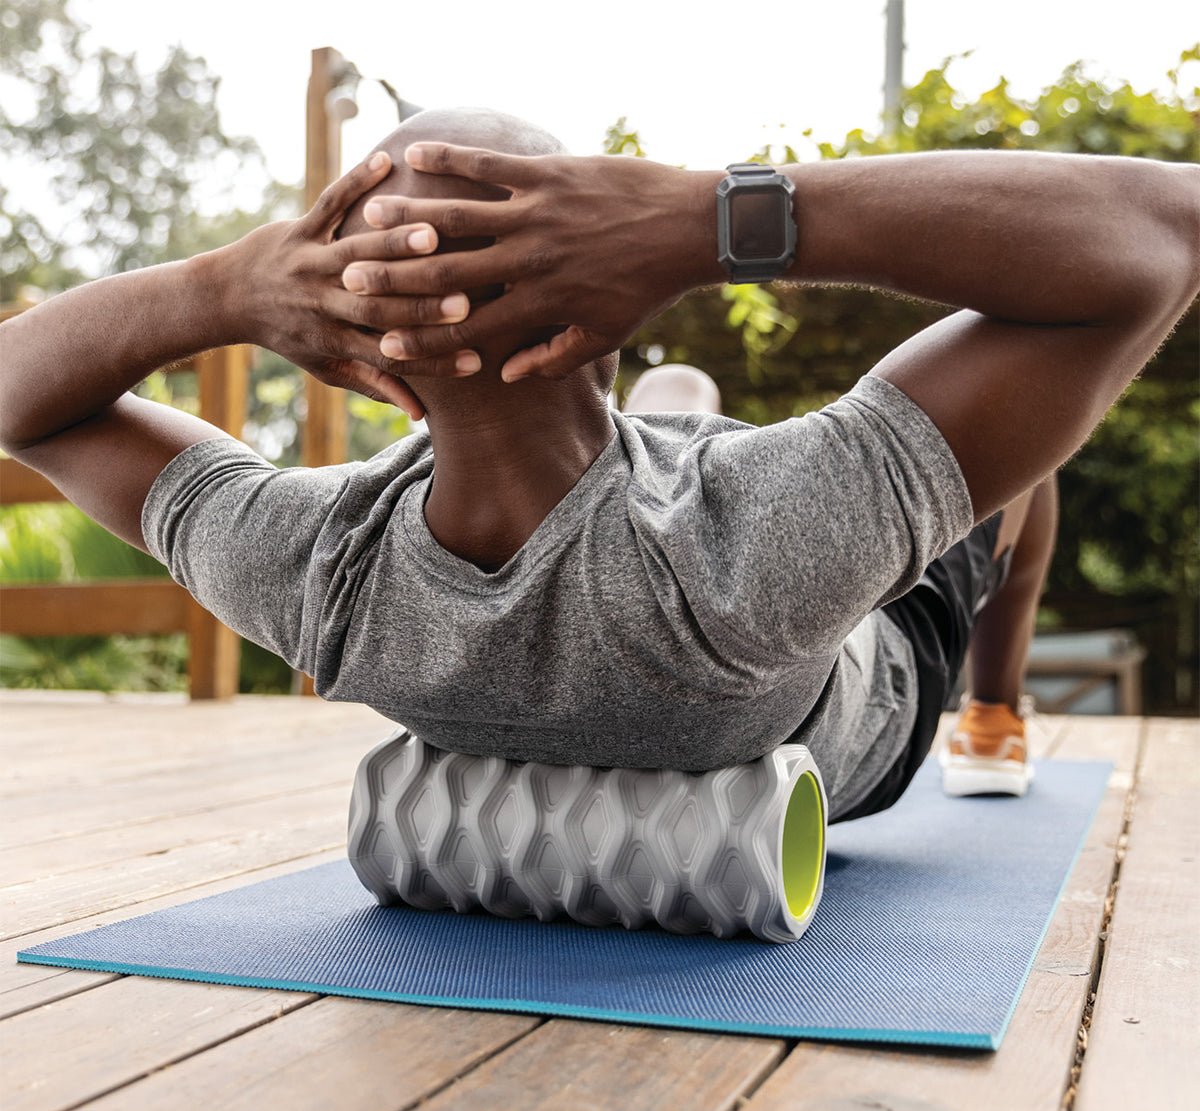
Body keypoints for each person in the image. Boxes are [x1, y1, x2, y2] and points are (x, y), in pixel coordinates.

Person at [1, 109, 1195, 824]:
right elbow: (1164, 231)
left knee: (682, 411)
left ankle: (675, 411)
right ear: (606, 308)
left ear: (359, 358)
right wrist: (701, 221)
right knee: (1016, 477)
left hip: (659, 521)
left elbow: (21, 401)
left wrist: (223, 286)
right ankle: (992, 710)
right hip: (862, 698)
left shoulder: (322, 572)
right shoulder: (753, 544)